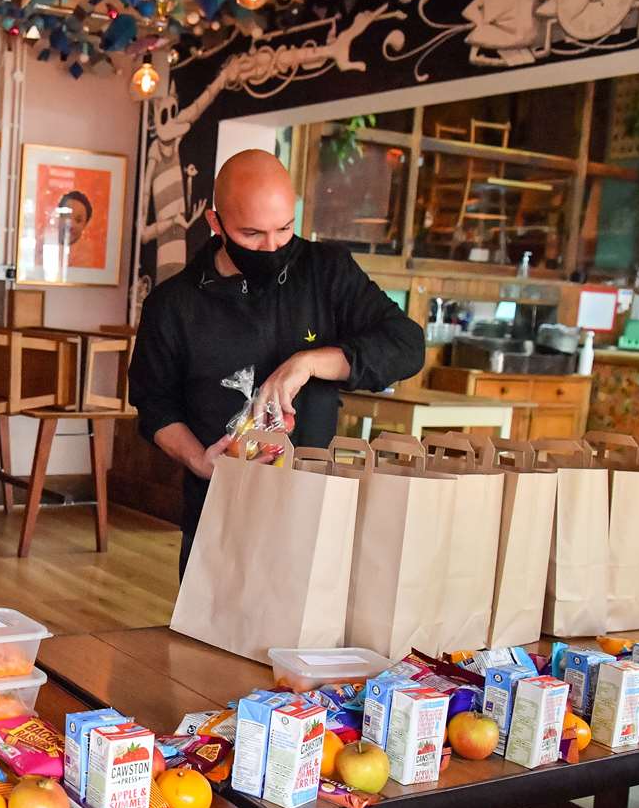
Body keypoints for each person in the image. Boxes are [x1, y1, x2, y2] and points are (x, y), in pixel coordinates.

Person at [129, 149, 425, 575]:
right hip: (219, 511)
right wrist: (199, 461)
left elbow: (406, 344)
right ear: (216, 223)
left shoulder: (326, 272)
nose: (271, 247)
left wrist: (309, 362)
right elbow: (153, 404)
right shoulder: (173, 304)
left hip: (313, 503)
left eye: (284, 229)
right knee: (207, 639)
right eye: (251, 235)